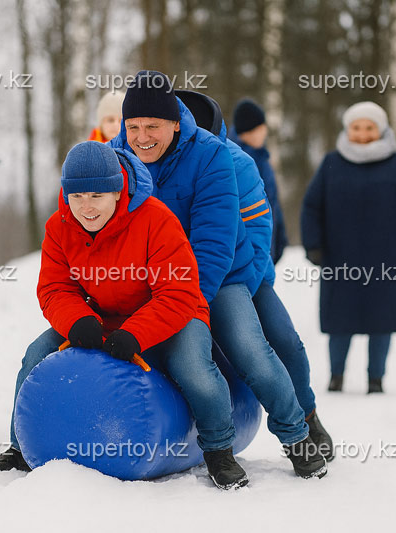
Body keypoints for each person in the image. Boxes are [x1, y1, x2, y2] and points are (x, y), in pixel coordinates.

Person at [0, 141, 248, 489]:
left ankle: (219, 450)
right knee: (35, 354)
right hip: (101, 319)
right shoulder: (59, 227)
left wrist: (137, 332)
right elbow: (54, 288)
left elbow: (178, 291)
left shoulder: (156, 220)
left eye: (96, 195)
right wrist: (78, 321)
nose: (86, 206)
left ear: (118, 189)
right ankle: (20, 447)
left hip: (174, 315)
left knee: (192, 367)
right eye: (77, 196)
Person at [110, 71, 327, 479]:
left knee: (252, 351)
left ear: (175, 123)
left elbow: (214, 243)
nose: (142, 137)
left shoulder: (212, 155)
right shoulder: (114, 157)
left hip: (220, 275)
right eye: (133, 127)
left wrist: (185, 307)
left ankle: (298, 434)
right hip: (150, 283)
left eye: (152, 126)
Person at [177, 89, 333, 459]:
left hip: (242, 275)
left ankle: (307, 415)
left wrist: (241, 295)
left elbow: (260, 236)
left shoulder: (236, 163)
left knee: (284, 340)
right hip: (184, 281)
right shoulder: (160, 163)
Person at [301, 101, 396, 394]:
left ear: (380, 130)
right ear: (348, 129)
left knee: (382, 320)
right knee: (340, 320)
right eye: (357, 127)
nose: (363, 133)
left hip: (388, 257)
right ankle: (336, 376)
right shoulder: (333, 162)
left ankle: (376, 378)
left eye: (369, 127)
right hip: (340, 256)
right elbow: (311, 206)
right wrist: (314, 244)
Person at [229, 98, 288, 264]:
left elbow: (273, 201)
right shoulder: (238, 161)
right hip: (249, 251)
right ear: (249, 131)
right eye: (261, 128)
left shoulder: (262, 158)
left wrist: (281, 238)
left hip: (267, 245)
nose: (264, 132)